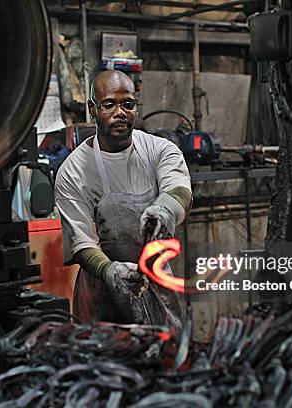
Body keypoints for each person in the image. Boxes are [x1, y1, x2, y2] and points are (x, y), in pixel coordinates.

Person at [54, 70, 192, 332]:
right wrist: (109, 271)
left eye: (127, 104)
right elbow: (81, 242)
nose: (120, 112)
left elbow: (179, 189)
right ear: (92, 109)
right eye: (109, 105)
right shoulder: (74, 171)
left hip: (156, 282)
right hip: (100, 292)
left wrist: (165, 209)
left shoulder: (160, 150)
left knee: (165, 359)